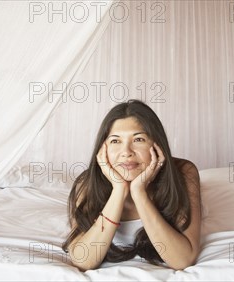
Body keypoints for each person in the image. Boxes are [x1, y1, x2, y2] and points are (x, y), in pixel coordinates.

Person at [62, 99, 201, 271]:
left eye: (139, 139)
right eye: (115, 141)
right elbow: (83, 260)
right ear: (102, 149)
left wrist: (139, 192)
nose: (126, 152)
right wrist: (119, 190)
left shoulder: (184, 173)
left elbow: (182, 260)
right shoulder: (87, 184)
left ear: (157, 145)